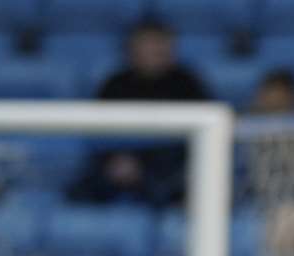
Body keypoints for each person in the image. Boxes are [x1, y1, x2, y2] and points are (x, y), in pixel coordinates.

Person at [71, 21, 209, 206]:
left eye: (160, 44)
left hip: (170, 168)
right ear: (132, 49)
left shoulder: (187, 84)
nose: (154, 51)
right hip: (118, 164)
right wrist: (115, 160)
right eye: (147, 45)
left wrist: (149, 166)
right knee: (79, 193)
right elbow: (98, 132)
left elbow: (204, 135)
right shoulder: (115, 84)